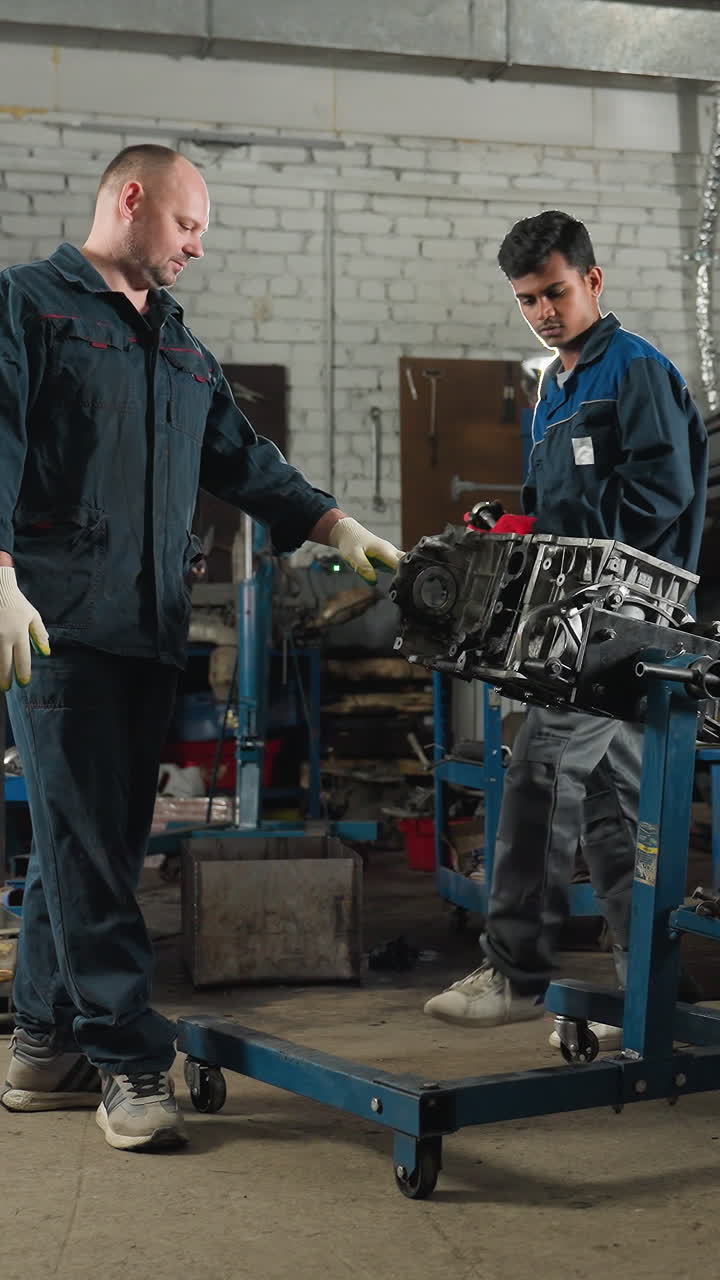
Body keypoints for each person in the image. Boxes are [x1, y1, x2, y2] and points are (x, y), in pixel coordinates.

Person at [0, 145, 402, 1150]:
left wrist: (335, 524)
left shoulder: (175, 343)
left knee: (86, 842)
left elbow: (242, 457)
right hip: (54, 628)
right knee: (91, 848)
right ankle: (129, 1063)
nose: (199, 244)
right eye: (187, 224)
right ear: (130, 200)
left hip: (147, 630)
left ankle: (43, 1042)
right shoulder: (28, 307)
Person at [425, 210, 708, 1040]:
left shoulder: (635, 372)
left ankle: (515, 972)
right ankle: (656, 996)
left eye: (554, 291)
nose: (543, 311)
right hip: (571, 624)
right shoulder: (552, 386)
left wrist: (582, 565)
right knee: (617, 815)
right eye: (526, 300)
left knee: (540, 769)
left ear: (591, 280)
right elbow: (559, 510)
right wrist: (516, 534)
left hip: (628, 626)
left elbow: (662, 496)